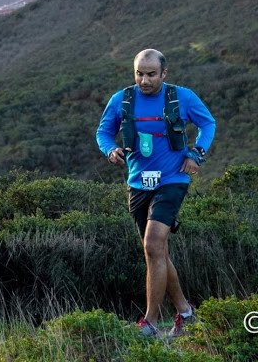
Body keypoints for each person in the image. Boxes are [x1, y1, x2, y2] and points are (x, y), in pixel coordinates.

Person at [96, 48, 216, 338]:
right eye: (139, 73)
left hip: (173, 180)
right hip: (138, 184)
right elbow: (103, 132)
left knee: (152, 245)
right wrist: (110, 150)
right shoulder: (121, 100)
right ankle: (186, 314)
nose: (145, 80)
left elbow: (207, 123)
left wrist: (196, 154)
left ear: (164, 73)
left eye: (151, 74)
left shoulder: (182, 97)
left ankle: (150, 321)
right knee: (156, 252)